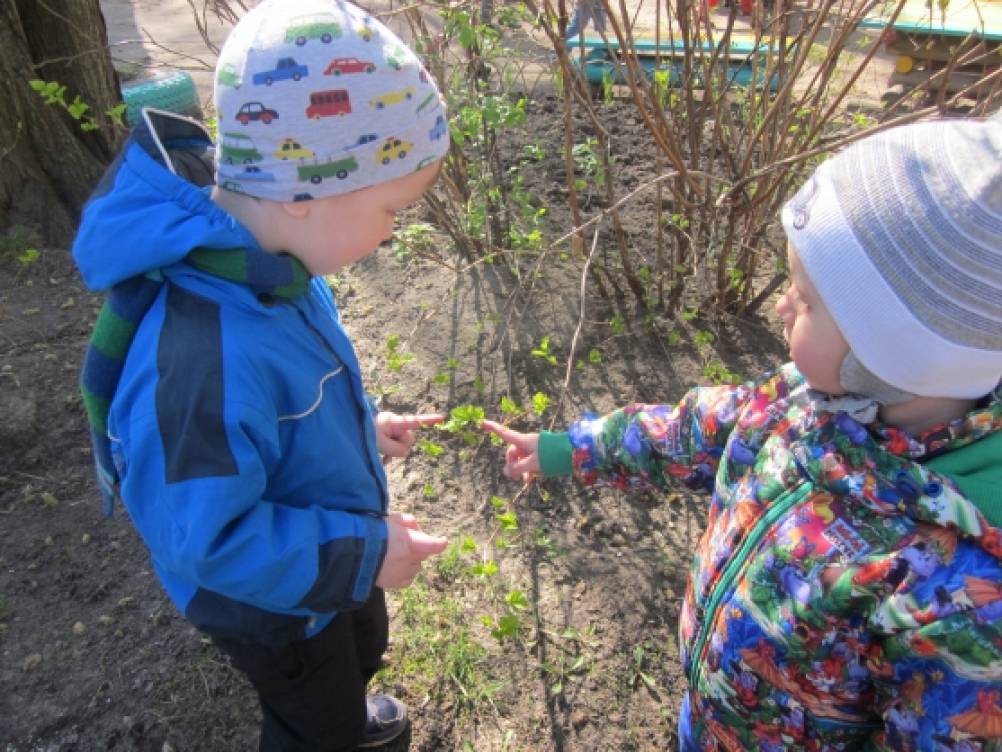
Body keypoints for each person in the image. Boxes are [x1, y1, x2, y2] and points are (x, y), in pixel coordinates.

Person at [485, 118, 1002, 751]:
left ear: (896, 356)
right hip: (713, 719)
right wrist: (571, 448)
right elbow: (690, 431)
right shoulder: (807, 400)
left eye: (807, 300)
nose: (781, 305)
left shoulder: (961, 594)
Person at [74, 1, 451, 749]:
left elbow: (287, 410)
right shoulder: (200, 358)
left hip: (321, 561)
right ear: (309, 192)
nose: (392, 231)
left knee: (359, 643)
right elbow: (209, 541)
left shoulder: (275, 268)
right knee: (313, 711)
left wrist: (359, 431)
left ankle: (348, 705)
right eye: (391, 208)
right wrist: (367, 552)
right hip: (270, 609)